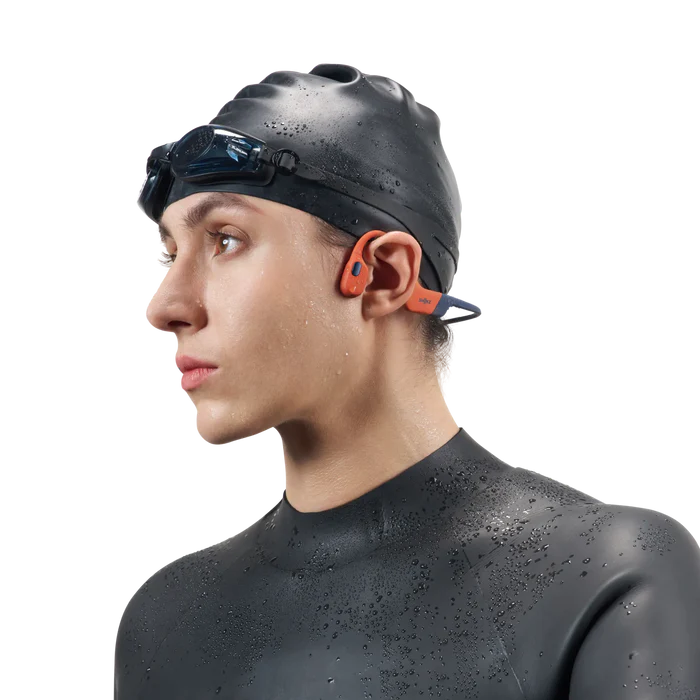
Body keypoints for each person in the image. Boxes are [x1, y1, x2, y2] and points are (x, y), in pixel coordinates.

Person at [117, 64, 700, 698]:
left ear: (385, 275)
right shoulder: (165, 622)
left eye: (226, 240)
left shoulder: (606, 579)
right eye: (169, 254)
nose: (163, 307)